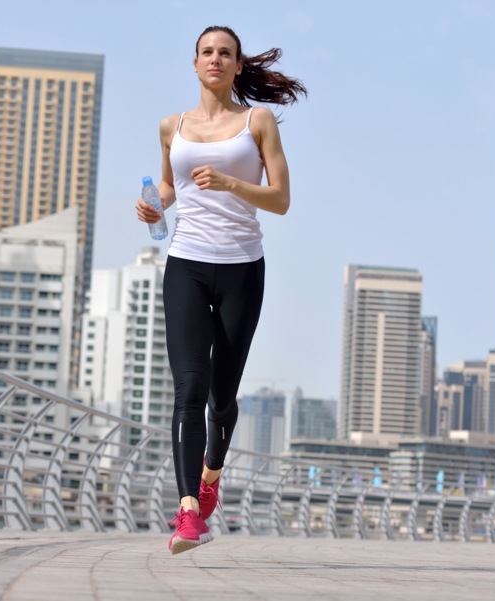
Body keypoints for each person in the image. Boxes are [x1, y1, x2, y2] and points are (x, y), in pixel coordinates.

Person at [135, 25, 305, 555]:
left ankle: (211, 475)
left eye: (224, 53)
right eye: (207, 52)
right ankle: (189, 511)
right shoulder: (172, 126)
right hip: (185, 263)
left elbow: (280, 199)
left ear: (236, 66)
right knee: (188, 386)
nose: (215, 59)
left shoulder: (257, 122)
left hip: (241, 269)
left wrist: (232, 183)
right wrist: (155, 204)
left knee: (221, 396)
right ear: (195, 64)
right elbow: (170, 184)